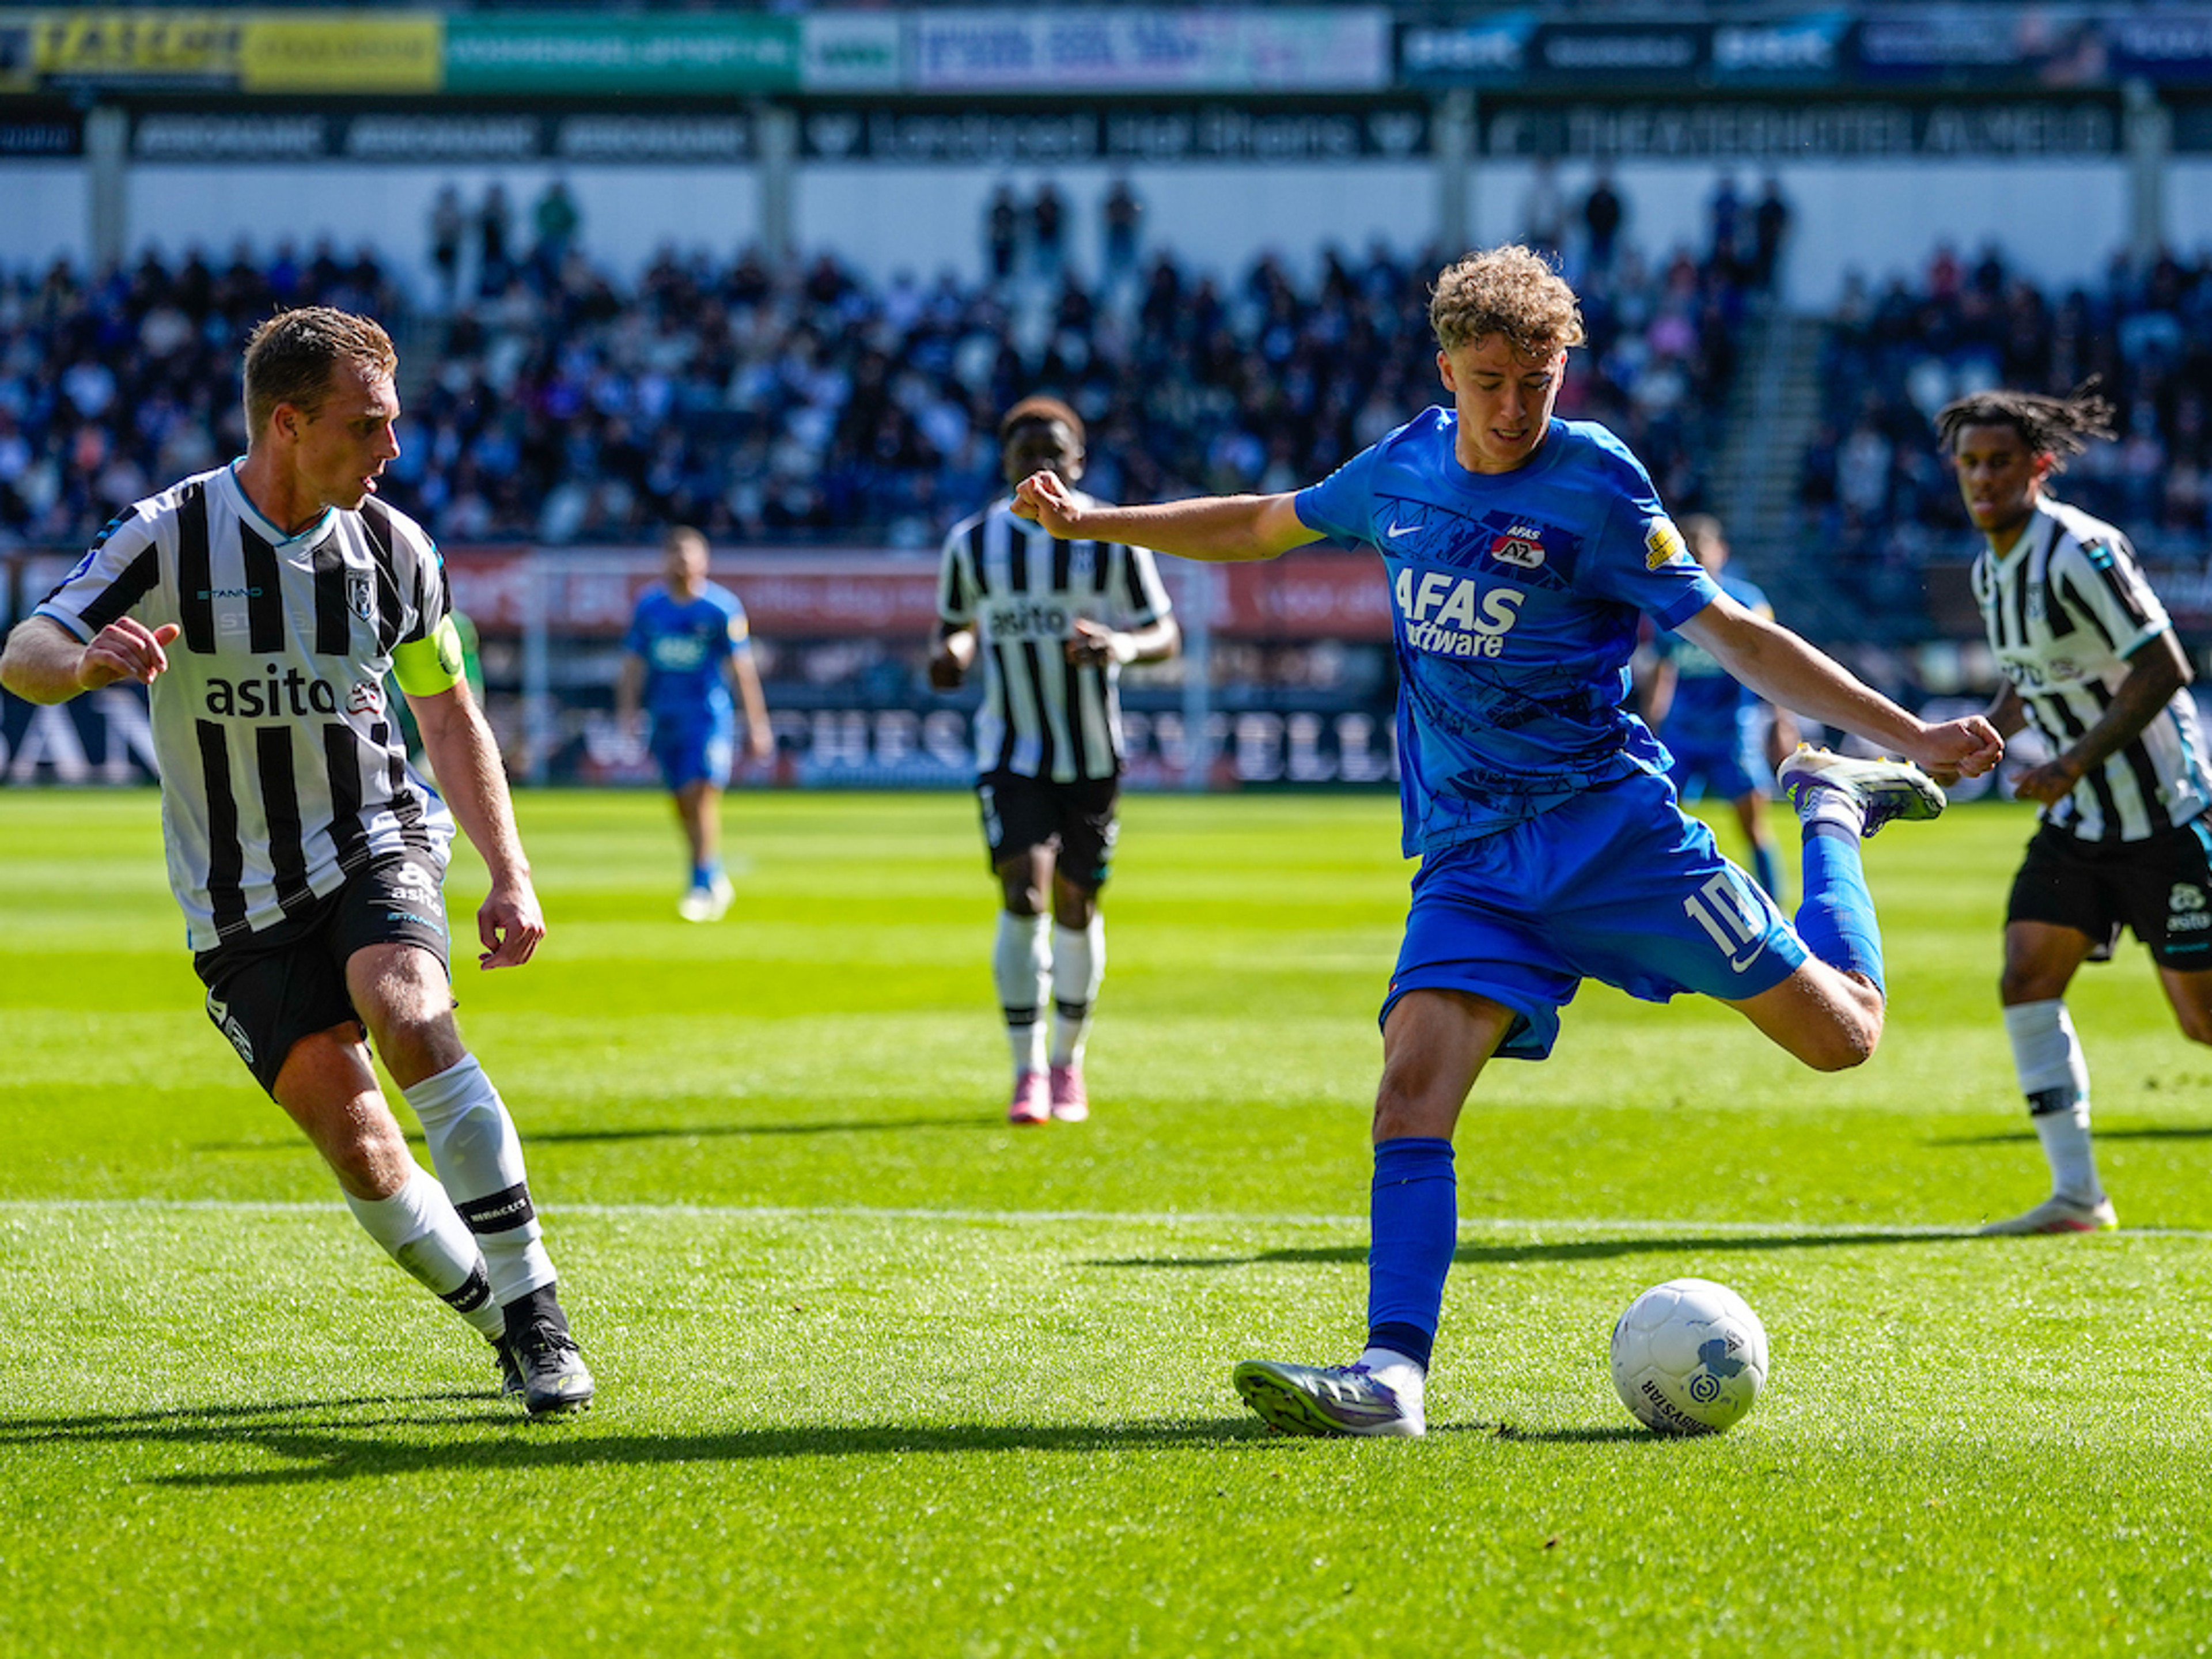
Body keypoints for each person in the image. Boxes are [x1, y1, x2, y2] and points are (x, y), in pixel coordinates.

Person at [1013, 245, 2003, 1437]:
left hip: (1613, 838)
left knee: (1843, 1038)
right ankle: (1393, 1376)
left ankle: (1833, 809)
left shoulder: (1598, 483)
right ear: (1448, 370)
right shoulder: (1403, 466)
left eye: (1538, 382)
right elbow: (1266, 523)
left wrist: (1907, 733)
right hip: (1473, 858)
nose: (1516, 406)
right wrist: (1098, 522)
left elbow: (1735, 635)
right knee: (1409, 1094)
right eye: (1491, 382)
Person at [0, 306, 592, 1415]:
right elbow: (23, 650)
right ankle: (507, 1319)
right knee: (362, 1146)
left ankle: (539, 1308)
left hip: (376, 837)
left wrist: (509, 870)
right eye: (368, 425)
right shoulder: (167, 535)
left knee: (409, 1012)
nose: (392, 449)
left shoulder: (396, 549)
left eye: (393, 422)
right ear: (288, 423)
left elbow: (448, 714)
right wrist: (80, 666)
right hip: (234, 897)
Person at [1937, 385, 2211, 1235]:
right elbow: (2033, 675)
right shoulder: (1991, 569)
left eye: (2000, 462)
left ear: (2040, 466)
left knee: (2203, 1022)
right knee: (2027, 976)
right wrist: (1989, 729)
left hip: (2164, 814)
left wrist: (2071, 761)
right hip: (2079, 824)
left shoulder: (2081, 550)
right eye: (1970, 464)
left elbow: (2165, 666)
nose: (1983, 478)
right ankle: (2078, 1196)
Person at [929, 396, 1180, 1126]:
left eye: (1053, 452)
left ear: (1077, 462)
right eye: (1025, 452)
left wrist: (1120, 645)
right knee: (1023, 892)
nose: (1039, 462)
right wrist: (951, 655)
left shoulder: (1111, 536)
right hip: (1010, 750)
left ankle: (1069, 1061)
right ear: (1006, 463)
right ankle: (1027, 1070)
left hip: (1092, 752)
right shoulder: (972, 544)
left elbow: (1164, 632)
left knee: (1077, 903)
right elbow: (956, 628)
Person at [617, 525, 774, 922]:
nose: (682, 564)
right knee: (682, 802)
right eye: (676, 556)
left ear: (704, 562)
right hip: (665, 717)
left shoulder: (721, 608)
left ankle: (701, 884)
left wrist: (757, 724)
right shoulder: (650, 607)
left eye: (689, 557)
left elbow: (742, 670)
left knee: (701, 794)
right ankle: (712, 871)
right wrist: (628, 711)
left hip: (707, 718)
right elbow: (633, 665)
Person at [1642, 514, 1798, 902]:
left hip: (1733, 734)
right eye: (1688, 547)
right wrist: (1651, 725)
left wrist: (1780, 719)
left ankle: (1775, 912)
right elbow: (1662, 669)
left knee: (1753, 828)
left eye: (1703, 547)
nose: (1696, 554)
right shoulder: (1667, 603)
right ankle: (1662, 906)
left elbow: (1771, 663)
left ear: (1721, 552)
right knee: (1655, 825)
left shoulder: (1746, 600)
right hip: (1682, 733)